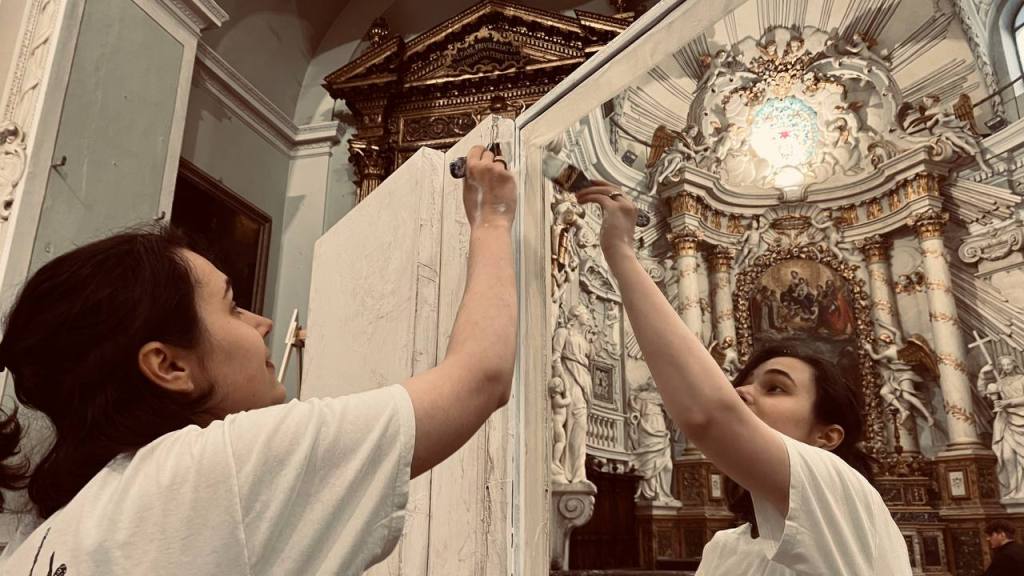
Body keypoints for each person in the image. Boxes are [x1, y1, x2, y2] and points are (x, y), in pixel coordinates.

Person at [0, 144, 517, 575]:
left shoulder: (42, 539)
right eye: (232, 307)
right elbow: (481, 376)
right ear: (170, 367)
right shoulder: (204, 472)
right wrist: (492, 218)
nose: (264, 324)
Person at [575, 181, 912, 575]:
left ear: (827, 436)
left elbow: (710, 415)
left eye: (776, 388)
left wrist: (620, 252)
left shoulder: (843, 497)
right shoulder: (726, 548)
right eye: (744, 383)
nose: (742, 393)